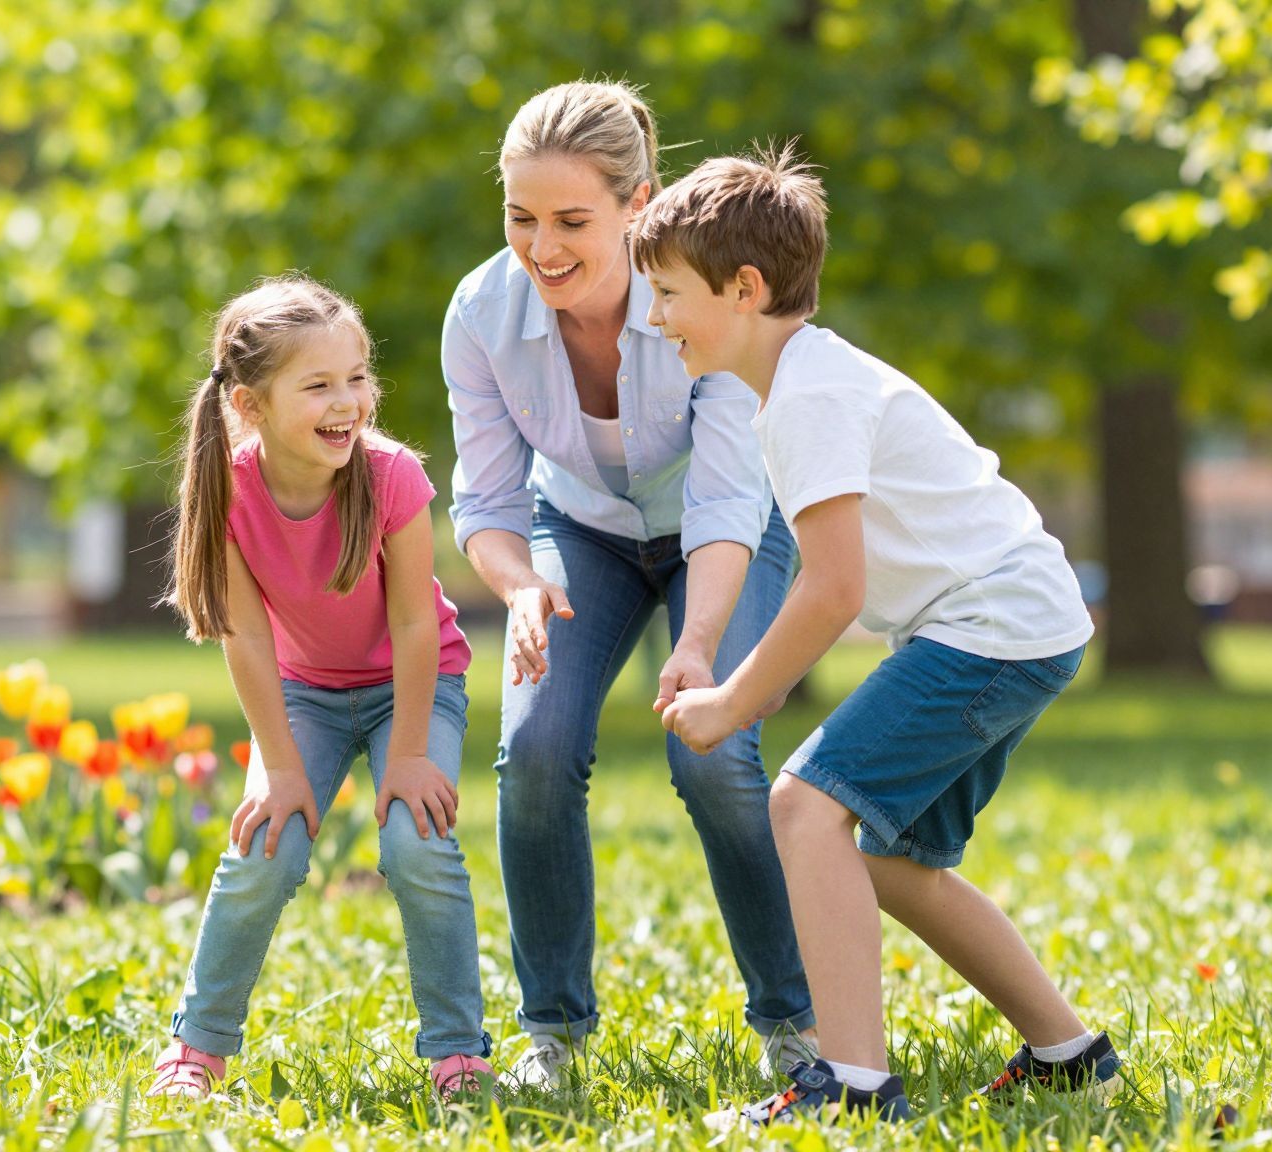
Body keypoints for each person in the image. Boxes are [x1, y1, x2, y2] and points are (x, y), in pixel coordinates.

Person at [636, 147, 1121, 1125]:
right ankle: (1068, 1055)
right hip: (1013, 620)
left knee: (805, 807)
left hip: (987, 625)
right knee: (895, 861)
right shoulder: (800, 382)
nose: (656, 319)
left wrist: (736, 700)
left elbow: (832, 587)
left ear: (743, 288)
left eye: (668, 294)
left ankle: (851, 1088)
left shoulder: (809, 396)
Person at [444, 80, 812, 1088]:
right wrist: (518, 589)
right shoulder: (481, 312)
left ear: (638, 203)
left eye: (571, 220)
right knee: (534, 745)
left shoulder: (705, 301)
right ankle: (551, 1037)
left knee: (712, 757)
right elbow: (483, 501)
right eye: (520, 218)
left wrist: (696, 647)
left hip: (724, 532)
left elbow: (733, 499)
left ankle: (794, 1024)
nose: (541, 246)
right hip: (580, 534)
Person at [149, 276, 493, 1102]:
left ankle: (459, 1056)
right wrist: (282, 767)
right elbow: (245, 637)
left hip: (413, 686)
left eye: (358, 377)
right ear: (250, 403)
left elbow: (417, 627)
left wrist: (408, 755)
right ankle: (197, 1052)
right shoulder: (227, 489)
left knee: (418, 844)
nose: (349, 402)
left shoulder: (393, 478)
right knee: (263, 848)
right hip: (305, 695)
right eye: (319, 385)